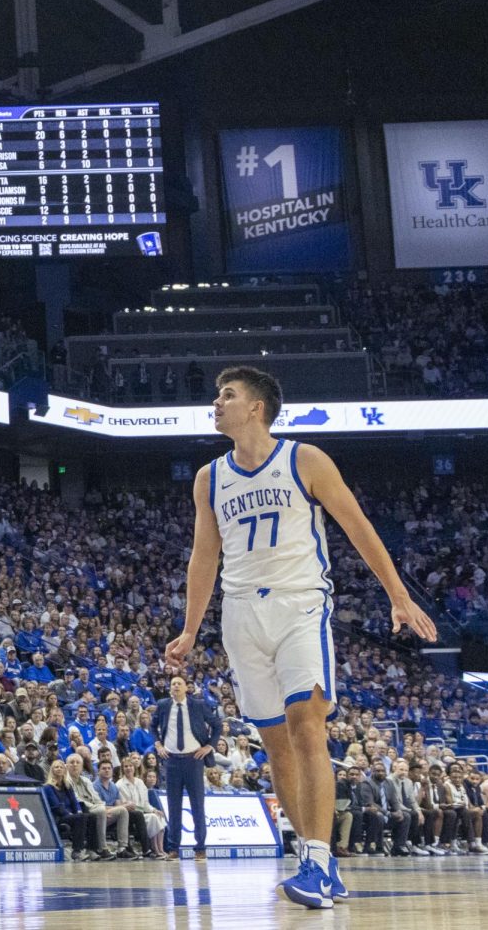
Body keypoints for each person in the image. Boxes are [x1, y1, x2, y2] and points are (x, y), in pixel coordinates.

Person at [165, 365, 436, 909]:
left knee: (305, 724)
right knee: (275, 747)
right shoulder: (209, 478)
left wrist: (398, 594)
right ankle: (319, 862)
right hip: (240, 615)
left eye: (227, 395)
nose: (216, 403)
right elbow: (204, 556)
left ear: (256, 408)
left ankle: (314, 856)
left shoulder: (304, 460)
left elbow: (358, 526)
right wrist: (191, 628)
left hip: (300, 604)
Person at [153, 674, 218, 860]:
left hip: (194, 760)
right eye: (172, 684)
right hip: (172, 761)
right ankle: (174, 848)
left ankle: (200, 848)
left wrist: (209, 746)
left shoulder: (197, 705)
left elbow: (217, 724)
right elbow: (152, 726)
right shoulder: (164, 705)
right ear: (169, 688)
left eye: (179, 684)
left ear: (186, 688)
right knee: (173, 806)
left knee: (197, 804)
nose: (175, 686)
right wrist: (158, 744)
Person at [44, 758, 102, 860]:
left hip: (72, 815)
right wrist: (70, 814)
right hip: (59, 817)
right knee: (80, 818)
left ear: (64, 770)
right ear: (52, 770)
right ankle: (77, 851)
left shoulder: (67, 785)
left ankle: (92, 849)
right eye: (56, 767)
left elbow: (75, 802)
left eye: (61, 767)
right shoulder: (48, 787)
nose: (59, 769)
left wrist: (78, 811)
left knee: (92, 816)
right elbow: (57, 806)